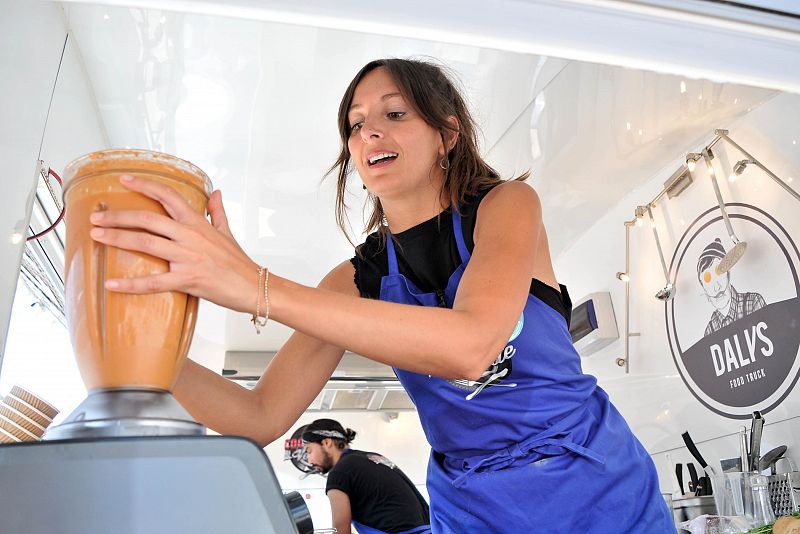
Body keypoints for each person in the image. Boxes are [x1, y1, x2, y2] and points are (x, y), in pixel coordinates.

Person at [88, 58, 675, 532]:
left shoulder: (506, 207)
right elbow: (257, 417)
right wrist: (131, 340)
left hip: (595, 486)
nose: (369, 131)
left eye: (395, 113)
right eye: (355, 123)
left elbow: (473, 344)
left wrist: (257, 288)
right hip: (474, 508)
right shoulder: (356, 278)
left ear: (448, 133)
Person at [301, 419, 431, 534]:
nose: (309, 460)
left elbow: (341, 530)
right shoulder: (372, 457)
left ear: (327, 442)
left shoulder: (339, 472)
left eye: (309, 451)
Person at [697, 238, 766, 336]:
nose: (717, 287)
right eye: (708, 279)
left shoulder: (753, 302)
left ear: (728, 275)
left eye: (719, 272)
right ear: (704, 289)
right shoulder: (710, 331)